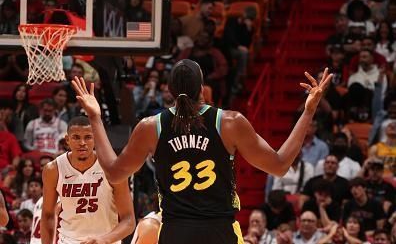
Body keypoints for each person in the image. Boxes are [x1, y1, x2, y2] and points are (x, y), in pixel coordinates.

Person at [71, 59, 332, 244]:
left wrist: (95, 117)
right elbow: (280, 165)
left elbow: (115, 174)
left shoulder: (151, 127)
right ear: (202, 88)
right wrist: (308, 111)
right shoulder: (230, 122)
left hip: (175, 231)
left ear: (170, 90)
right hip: (220, 231)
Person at [40, 116, 135, 244]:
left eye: (88, 137)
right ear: (67, 140)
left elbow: (129, 220)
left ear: (95, 139)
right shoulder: (53, 170)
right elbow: (47, 215)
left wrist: (103, 239)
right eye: (76, 137)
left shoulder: (111, 168)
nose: (82, 143)